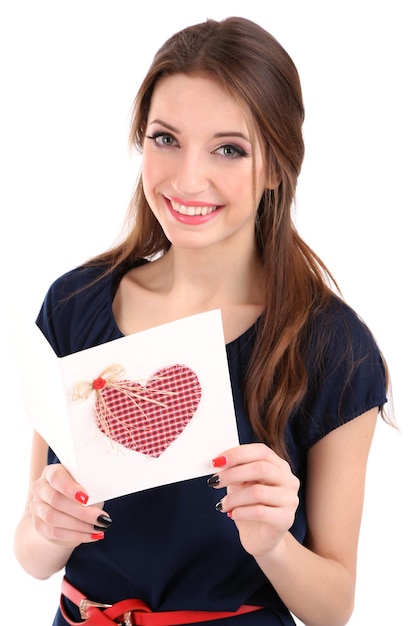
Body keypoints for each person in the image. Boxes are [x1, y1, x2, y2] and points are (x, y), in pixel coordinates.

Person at [14, 16, 393, 626]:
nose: (188, 178)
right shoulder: (72, 305)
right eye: (166, 139)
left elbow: (333, 607)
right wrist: (48, 524)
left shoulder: (333, 348)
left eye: (229, 149)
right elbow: (32, 557)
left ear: (276, 168)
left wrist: (273, 543)